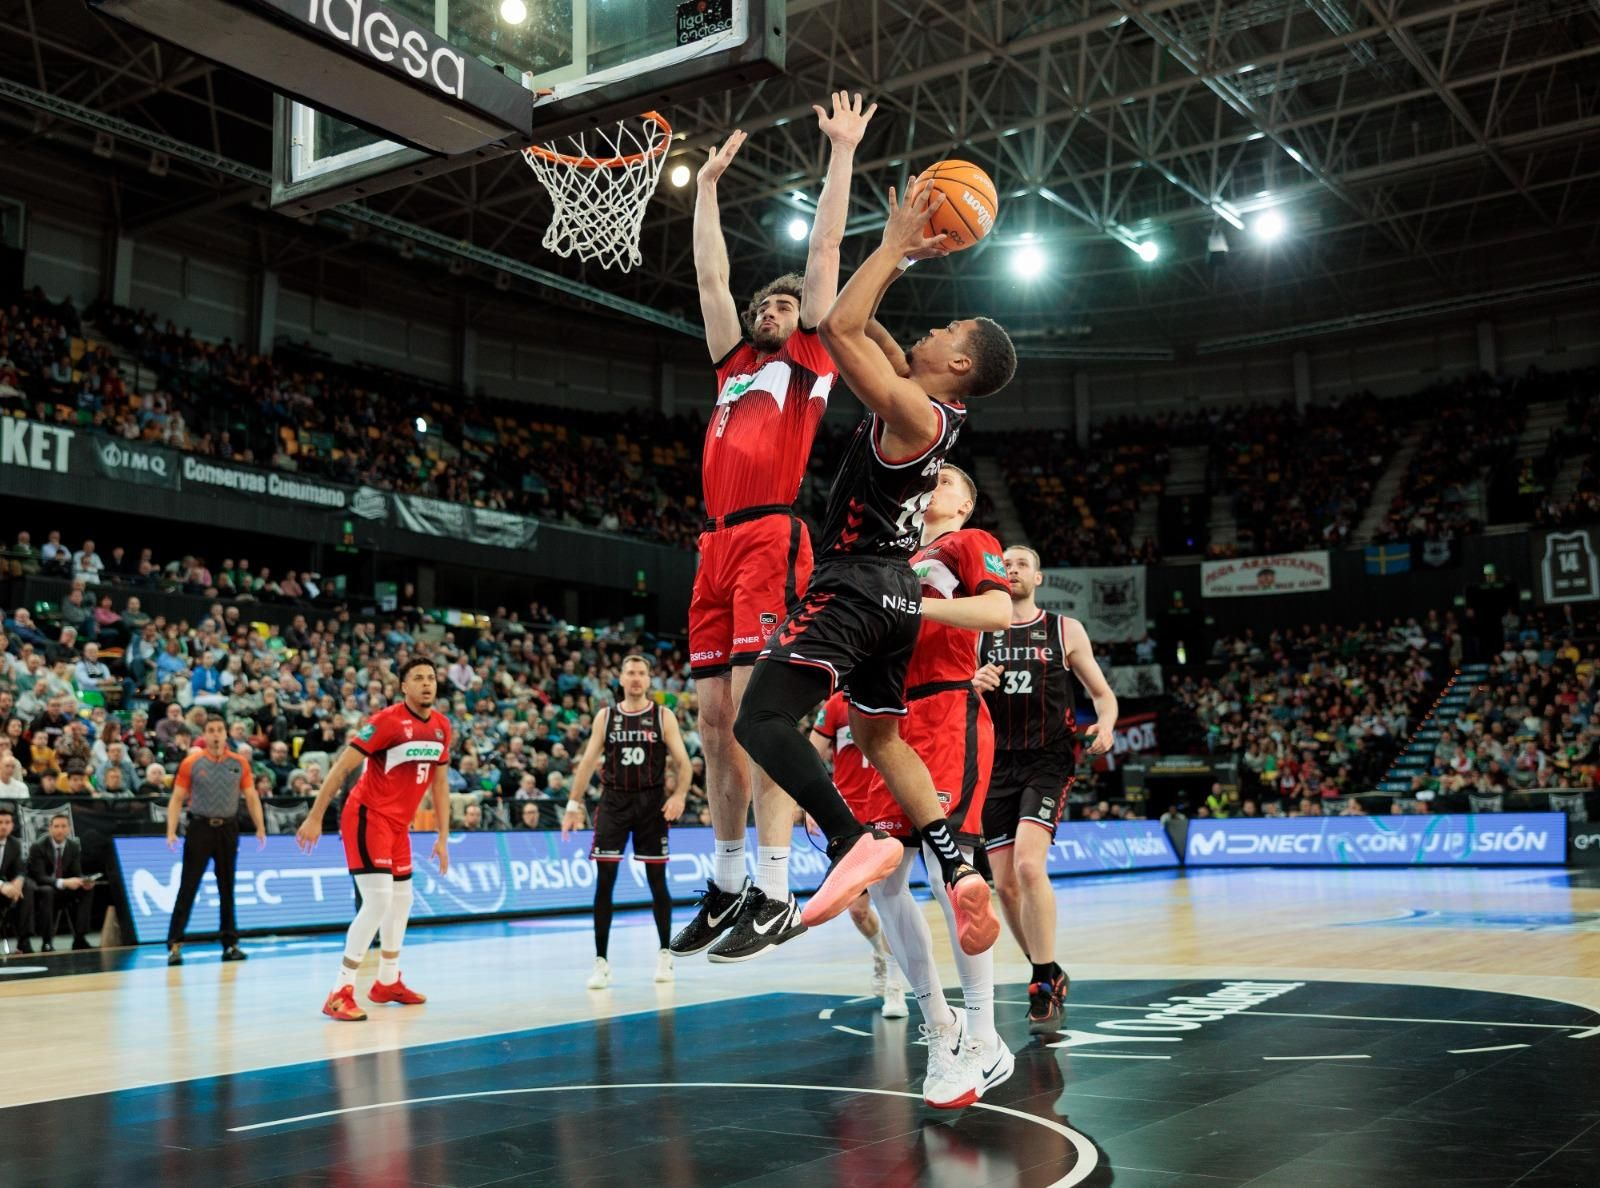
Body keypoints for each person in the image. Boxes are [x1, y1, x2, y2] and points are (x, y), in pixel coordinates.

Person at [727, 178, 1017, 960]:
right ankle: (954, 863)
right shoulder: (928, 403)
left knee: (758, 719)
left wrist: (895, 246)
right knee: (880, 737)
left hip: (856, 586)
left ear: (960, 360)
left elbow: (837, 326)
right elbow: (857, 320)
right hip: (895, 596)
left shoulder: (915, 412)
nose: (932, 328)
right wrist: (881, 258)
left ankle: (850, 840)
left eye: (947, 329)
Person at [671, 93, 874, 961]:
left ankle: (777, 886)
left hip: (769, 537)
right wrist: (707, 192)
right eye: (770, 307)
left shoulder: (808, 359)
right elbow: (711, 281)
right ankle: (725, 882)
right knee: (714, 721)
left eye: (786, 308)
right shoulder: (733, 365)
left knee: (761, 715)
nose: (772, 312)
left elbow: (824, 251)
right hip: (713, 544)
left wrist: (841, 153)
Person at [843, 465, 1015, 1108]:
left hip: (946, 711)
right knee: (884, 880)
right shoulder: (892, 560)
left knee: (952, 876)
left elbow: (998, 610)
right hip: (888, 723)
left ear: (966, 502)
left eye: (946, 480)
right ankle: (940, 1024)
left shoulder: (970, 542)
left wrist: (915, 605)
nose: (932, 484)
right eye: (929, 479)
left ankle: (985, 1036)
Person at [974, 544, 1117, 1032]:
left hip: (1048, 760)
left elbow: (1103, 695)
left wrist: (1106, 725)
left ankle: (1040, 982)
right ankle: (1049, 968)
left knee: (1029, 866)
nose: (1012, 570)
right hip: (996, 763)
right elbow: (955, 698)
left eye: (1021, 565)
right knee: (1004, 885)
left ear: (1038, 578)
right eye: (1005, 564)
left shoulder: (1063, 629)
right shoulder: (978, 632)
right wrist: (973, 684)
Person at [296, 658, 451, 1022]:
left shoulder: (442, 727)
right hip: (367, 816)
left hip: (399, 826)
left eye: (431, 677)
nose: (426, 683)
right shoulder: (386, 721)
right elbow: (341, 767)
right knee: (379, 900)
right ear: (404, 687)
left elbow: (440, 784)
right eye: (418, 678)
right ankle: (339, 991)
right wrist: (316, 815)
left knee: (403, 900)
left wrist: (443, 835)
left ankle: (387, 981)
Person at [564, 655, 691, 987]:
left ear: (649, 680)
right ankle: (601, 962)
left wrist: (679, 796)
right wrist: (573, 805)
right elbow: (587, 762)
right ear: (620, 679)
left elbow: (684, 762)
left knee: (657, 880)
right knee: (604, 881)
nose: (636, 678)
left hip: (651, 803)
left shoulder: (662, 716)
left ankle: (665, 954)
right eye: (630, 672)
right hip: (614, 803)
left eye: (641, 673)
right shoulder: (606, 717)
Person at [810, 691, 907, 1020]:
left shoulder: (893, 695)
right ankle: (881, 953)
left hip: (887, 810)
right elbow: (811, 754)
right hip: (849, 820)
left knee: (891, 901)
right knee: (857, 911)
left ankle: (895, 984)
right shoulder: (836, 705)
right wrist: (811, 802)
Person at [163, 715, 267, 965]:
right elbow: (176, 798)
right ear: (204, 735)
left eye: (220, 729)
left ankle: (230, 944)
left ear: (226, 733)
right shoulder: (192, 763)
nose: (216, 734)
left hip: (228, 828)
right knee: (188, 886)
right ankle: (174, 944)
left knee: (227, 887)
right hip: (200, 827)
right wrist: (171, 830)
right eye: (211, 730)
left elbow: (251, 797)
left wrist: (260, 826)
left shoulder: (239, 763)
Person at [28, 812, 93, 950]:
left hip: (65, 889)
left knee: (87, 890)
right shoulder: (38, 847)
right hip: (44, 887)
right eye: (56, 826)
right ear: (50, 829)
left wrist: (83, 881)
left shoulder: (73, 846)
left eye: (64, 826)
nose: (60, 830)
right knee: (47, 891)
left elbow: (76, 872)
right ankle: (46, 942)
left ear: (69, 829)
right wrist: (63, 882)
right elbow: (39, 876)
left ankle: (80, 938)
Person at [0, 807, 33, 953]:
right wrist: (2, 886)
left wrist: (18, 882)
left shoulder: (15, 844)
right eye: (0, 822)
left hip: (7, 890)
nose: (4, 826)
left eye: (7, 822)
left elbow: (20, 869)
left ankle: (24, 941)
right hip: (2, 887)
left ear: (12, 825)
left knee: (27, 887)